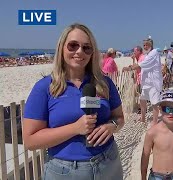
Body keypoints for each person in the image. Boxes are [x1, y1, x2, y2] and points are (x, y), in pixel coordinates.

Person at [22, 23, 124, 180]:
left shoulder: (104, 83)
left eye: (86, 47)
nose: (79, 52)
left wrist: (112, 126)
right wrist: (75, 128)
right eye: (73, 45)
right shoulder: (44, 88)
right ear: (62, 48)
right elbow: (30, 141)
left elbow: (119, 118)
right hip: (65, 171)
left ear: (92, 53)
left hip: (108, 163)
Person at [141, 89, 173, 180]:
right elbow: (144, 158)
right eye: (167, 109)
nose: (171, 113)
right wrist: (143, 178)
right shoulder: (152, 133)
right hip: (156, 176)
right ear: (160, 109)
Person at [123, 38, 163, 125]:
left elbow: (143, 64)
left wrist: (129, 68)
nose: (145, 46)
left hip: (153, 83)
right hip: (146, 82)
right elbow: (141, 65)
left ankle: (155, 121)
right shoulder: (148, 54)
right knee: (142, 100)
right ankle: (143, 118)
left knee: (154, 103)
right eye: (144, 45)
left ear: (151, 45)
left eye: (147, 45)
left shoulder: (154, 53)